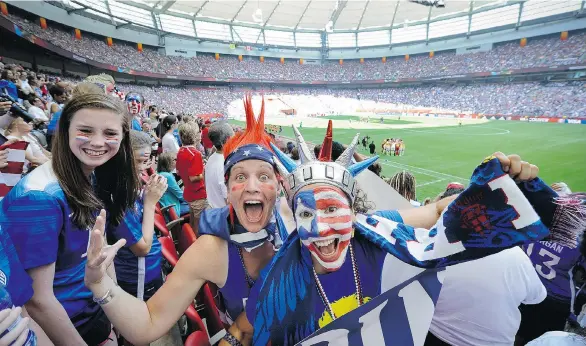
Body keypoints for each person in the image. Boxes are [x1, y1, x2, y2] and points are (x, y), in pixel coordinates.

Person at [221, 121, 556, 345]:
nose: (321, 228)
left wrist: (504, 192)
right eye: (307, 213)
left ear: (352, 213)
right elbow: (241, 330)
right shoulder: (279, 279)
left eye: (332, 210)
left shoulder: (379, 235)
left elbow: (439, 212)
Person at [82, 96, 289, 345]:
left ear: (279, 185)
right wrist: (99, 283)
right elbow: (147, 324)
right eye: (241, 176)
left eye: (264, 176)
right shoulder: (212, 250)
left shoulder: (303, 228)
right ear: (227, 187)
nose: (252, 187)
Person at [0, 93, 139, 345]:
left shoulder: (88, 173)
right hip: (71, 325)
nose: (98, 142)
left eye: (110, 133)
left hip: (93, 311)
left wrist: (113, 312)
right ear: (65, 131)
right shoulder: (38, 199)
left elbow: (100, 251)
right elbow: (38, 301)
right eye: (85, 130)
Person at [425, 247, 546, 346]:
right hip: (489, 342)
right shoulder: (517, 257)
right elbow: (536, 297)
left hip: (432, 332)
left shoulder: (443, 243)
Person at [108, 130, 167, 301]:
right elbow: (142, 248)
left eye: (146, 161)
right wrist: (150, 203)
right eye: (138, 161)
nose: (143, 168)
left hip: (148, 269)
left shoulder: (129, 182)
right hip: (138, 274)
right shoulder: (117, 195)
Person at [176, 123, 208, 235]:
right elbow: (194, 177)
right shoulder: (195, 154)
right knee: (199, 225)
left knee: (193, 221)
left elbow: (179, 172)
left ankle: (191, 240)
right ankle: (197, 245)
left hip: (189, 193)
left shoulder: (180, 151)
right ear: (195, 136)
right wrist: (205, 172)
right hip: (198, 194)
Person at [205, 121, 234, 209]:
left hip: (214, 209)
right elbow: (228, 199)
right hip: (222, 214)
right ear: (228, 139)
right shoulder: (223, 164)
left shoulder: (213, 157)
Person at [157, 152, 190, 217]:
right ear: (168, 162)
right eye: (175, 159)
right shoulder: (167, 176)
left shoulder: (161, 173)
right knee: (199, 207)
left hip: (171, 205)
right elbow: (180, 195)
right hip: (173, 208)